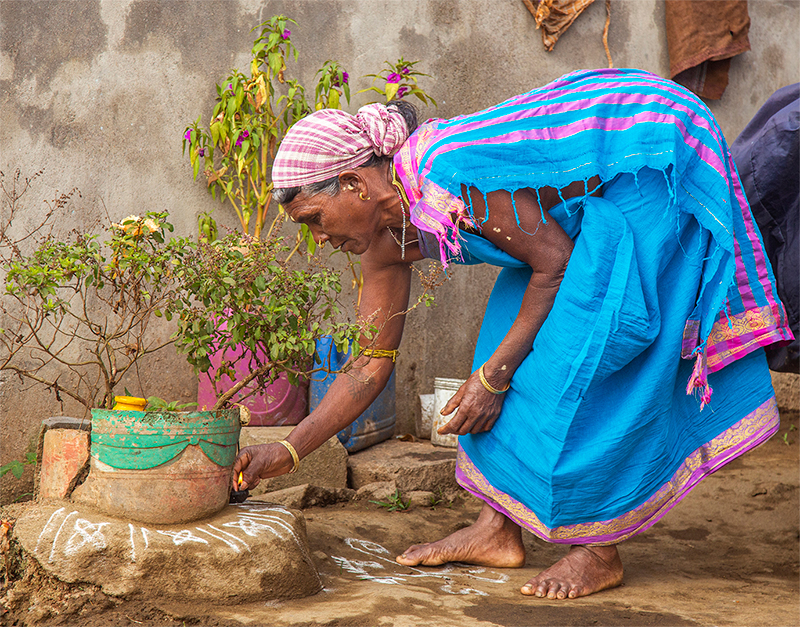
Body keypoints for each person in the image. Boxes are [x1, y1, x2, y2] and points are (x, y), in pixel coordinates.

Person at [233, 68, 792, 600]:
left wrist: (492, 380)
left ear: (354, 183)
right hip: (565, 230)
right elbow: (368, 365)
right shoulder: (385, 239)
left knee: (582, 354)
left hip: (650, 161)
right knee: (504, 334)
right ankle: (497, 530)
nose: (317, 239)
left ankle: (598, 550)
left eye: (314, 219)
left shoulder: (444, 171)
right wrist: (287, 448)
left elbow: (554, 262)